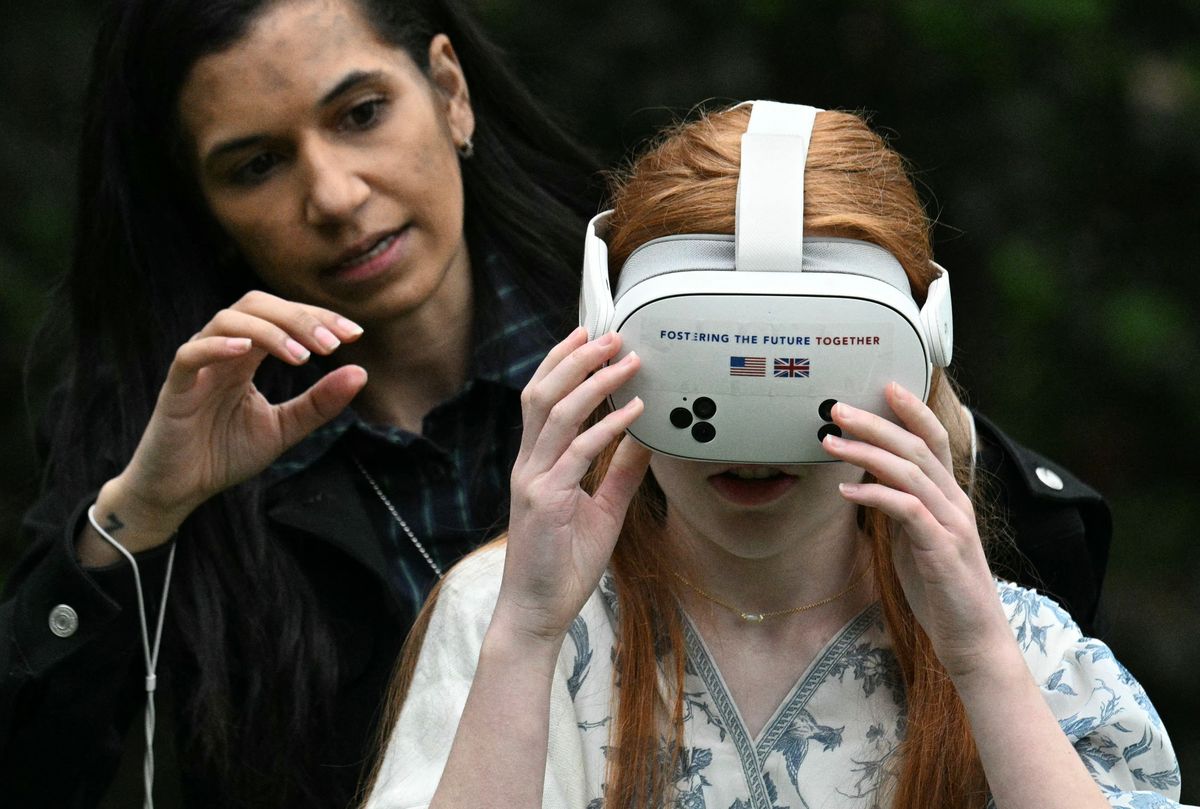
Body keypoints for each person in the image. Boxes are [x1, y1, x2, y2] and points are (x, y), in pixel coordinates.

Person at [364, 104, 1182, 808]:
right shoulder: (507, 614)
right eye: (703, 359)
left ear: (920, 351)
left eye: (811, 367)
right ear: (605, 334)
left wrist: (980, 662)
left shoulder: (1011, 644)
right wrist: (527, 634)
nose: (754, 443)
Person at [0, 0, 598, 806]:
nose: (335, 196)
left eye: (362, 114)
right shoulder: (161, 428)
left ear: (450, 92)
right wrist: (141, 514)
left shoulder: (647, 329)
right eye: (257, 165)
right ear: (204, 211)